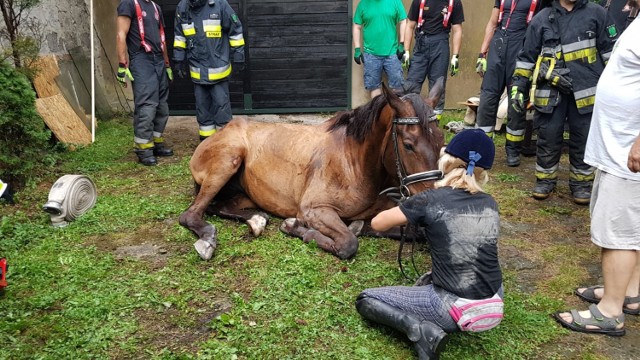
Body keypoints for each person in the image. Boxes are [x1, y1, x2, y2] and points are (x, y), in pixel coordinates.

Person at [355, 129, 503, 360]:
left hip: (451, 309)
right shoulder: (490, 202)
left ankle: (418, 330)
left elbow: (378, 223)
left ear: (446, 161)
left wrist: (412, 206)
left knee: (366, 299)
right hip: (495, 301)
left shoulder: (430, 199)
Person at [553, 1, 640, 336]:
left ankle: (609, 311)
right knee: (631, 226)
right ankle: (629, 293)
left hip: (627, 151)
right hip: (618, 145)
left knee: (616, 230)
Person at [510, 0, 618, 205]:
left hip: (586, 91)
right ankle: (545, 181)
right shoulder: (541, 19)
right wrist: (518, 87)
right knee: (548, 136)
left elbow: (612, 57)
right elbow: (526, 58)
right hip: (550, 92)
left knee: (583, 139)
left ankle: (581, 185)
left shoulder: (598, 14)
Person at [474, 0, 548, 167]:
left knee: (517, 99)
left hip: (521, 45)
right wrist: (482, 53)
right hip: (498, 44)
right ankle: (482, 147)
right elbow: (493, 22)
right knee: (487, 98)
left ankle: (513, 150)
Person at [172, 0, 245, 141]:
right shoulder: (182, 7)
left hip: (218, 70)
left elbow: (235, 31)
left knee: (222, 109)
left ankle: (226, 143)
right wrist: (178, 59)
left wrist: (239, 57)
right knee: (202, 110)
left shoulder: (220, 5)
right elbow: (179, 35)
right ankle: (207, 144)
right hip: (198, 71)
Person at [116, 0, 174, 166]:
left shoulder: (156, 7)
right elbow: (121, 34)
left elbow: (162, 38)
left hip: (158, 60)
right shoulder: (128, 4)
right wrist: (122, 64)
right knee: (147, 104)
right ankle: (143, 148)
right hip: (141, 59)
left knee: (161, 104)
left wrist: (167, 63)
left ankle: (156, 142)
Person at [402, 0, 464, 121]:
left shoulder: (454, 2)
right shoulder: (419, 1)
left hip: (441, 45)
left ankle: (434, 123)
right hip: (421, 45)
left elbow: (457, 29)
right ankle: (409, 120)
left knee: (438, 86)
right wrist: (406, 51)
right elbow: (410, 25)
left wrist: (455, 56)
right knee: (411, 84)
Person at [352, 0, 407, 98]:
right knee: (374, 87)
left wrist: (402, 44)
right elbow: (357, 26)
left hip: (392, 53)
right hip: (371, 54)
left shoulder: (395, 2)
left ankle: (396, 113)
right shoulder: (363, 4)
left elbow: (403, 21)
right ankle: (377, 112)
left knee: (397, 86)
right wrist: (357, 49)